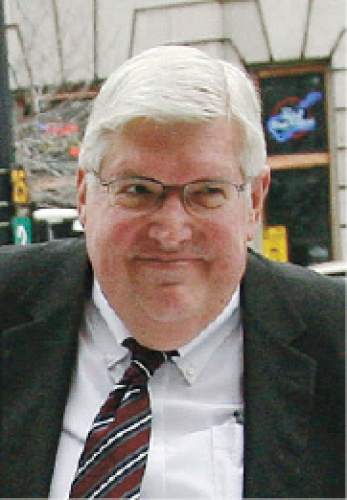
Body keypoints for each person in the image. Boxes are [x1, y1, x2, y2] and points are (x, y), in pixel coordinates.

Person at [0, 46, 344, 499]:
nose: (170, 231)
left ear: (254, 201)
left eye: (206, 192)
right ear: (84, 193)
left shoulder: (336, 345)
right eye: (138, 190)